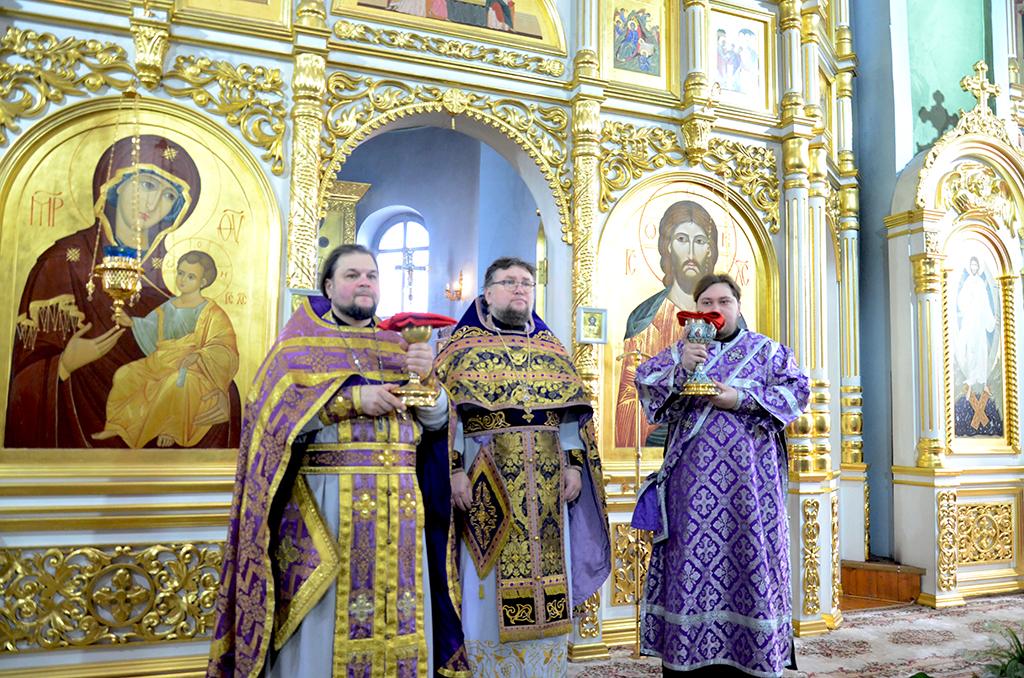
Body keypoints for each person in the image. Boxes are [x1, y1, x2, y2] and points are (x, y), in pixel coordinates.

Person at [207, 244, 467, 678]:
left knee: (402, 614)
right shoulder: (297, 347)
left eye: (371, 275)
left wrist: (430, 384)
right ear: (328, 286)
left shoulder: (401, 345)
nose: (364, 282)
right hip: (327, 507)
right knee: (324, 627)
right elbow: (271, 422)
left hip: (402, 510)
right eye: (352, 275)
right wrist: (349, 400)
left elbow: (438, 423)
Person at [435, 256, 611, 677]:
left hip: (548, 487)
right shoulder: (461, 348)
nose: (519, 289)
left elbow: (569, 418)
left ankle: (543, 669)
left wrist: (573, 465)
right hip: (487, 480)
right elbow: (449, 416)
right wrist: (454, 470)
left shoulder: (552, 349)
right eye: (509, 282)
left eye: (526, 283)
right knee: (484, 576)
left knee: (550, 576)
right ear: (487, 292)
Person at [5, 134, 240, 448]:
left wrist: (222, 395)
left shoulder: (172, 282)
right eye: (147, 185)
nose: (153, 205)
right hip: (71, 443)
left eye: (169, 196)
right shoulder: (63, 263)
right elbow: (23, 374)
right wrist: (64, 364)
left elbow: (202, 353)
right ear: (115, 184)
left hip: (165, 449)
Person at [631, 273, 809, 677]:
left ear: (738, 306)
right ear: (695, 310)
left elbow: (798, 391)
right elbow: (645, 382)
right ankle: (688, 660)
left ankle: (752, 658)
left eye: (724, 301)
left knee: (749, 565)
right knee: (690, 570)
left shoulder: (767, 352)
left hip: (751, 494)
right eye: (706, 302)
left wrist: (740, 398)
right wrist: (681, 367)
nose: (715, 309)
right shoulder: (682, 352)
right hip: (691, 497)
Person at [92, 250, 239, 448]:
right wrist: (132, 322)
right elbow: (153, 328)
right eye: (180, 273)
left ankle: (171, 429)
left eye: (191, 276)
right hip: (161, 361)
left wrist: (199, 355)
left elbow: (224, 346)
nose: (183, 279)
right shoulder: (168, 306)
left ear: (203, 282)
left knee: (175, 384)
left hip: (193, 368)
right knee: (125, 375)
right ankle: (119, 425)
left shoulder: (211, 312)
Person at [616, 200, 719, 449]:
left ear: (709, 249)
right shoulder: (644, 320)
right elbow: (629, 405)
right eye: (682, 239)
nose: (691, 253)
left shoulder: (729, 323)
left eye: (700, 241)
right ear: (668, 246)